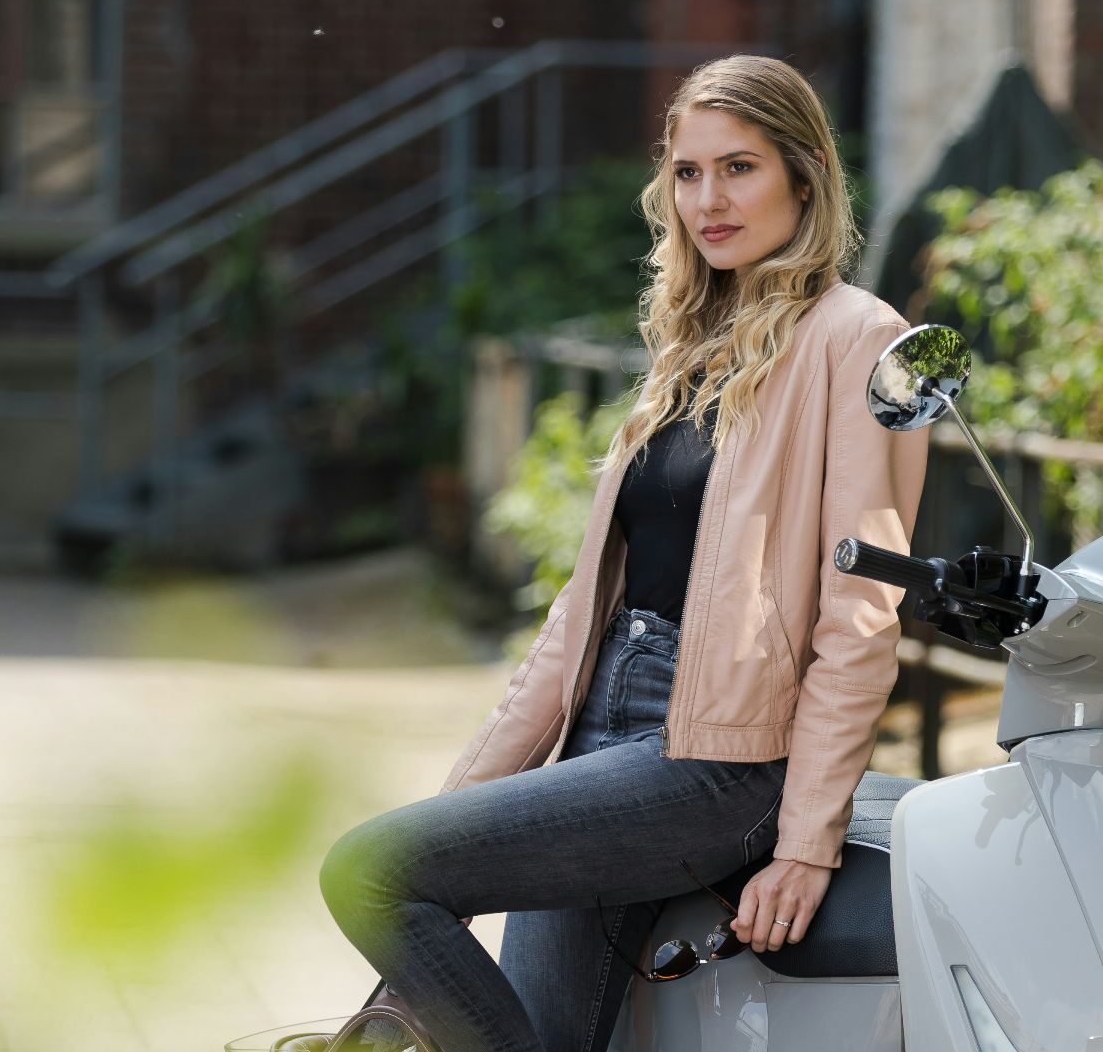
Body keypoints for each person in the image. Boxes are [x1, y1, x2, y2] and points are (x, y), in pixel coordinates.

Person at [317, 53, 928, 1052]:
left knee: (369, 867)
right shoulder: (692, 344)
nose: (707, 200)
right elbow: (579, 615)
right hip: (602, 731)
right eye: (688, 172)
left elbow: (862, 610)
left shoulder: (858, 338)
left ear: (806, 176)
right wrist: (474, 799)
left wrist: (808, 842)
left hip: (717, 761)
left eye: (740, 168)